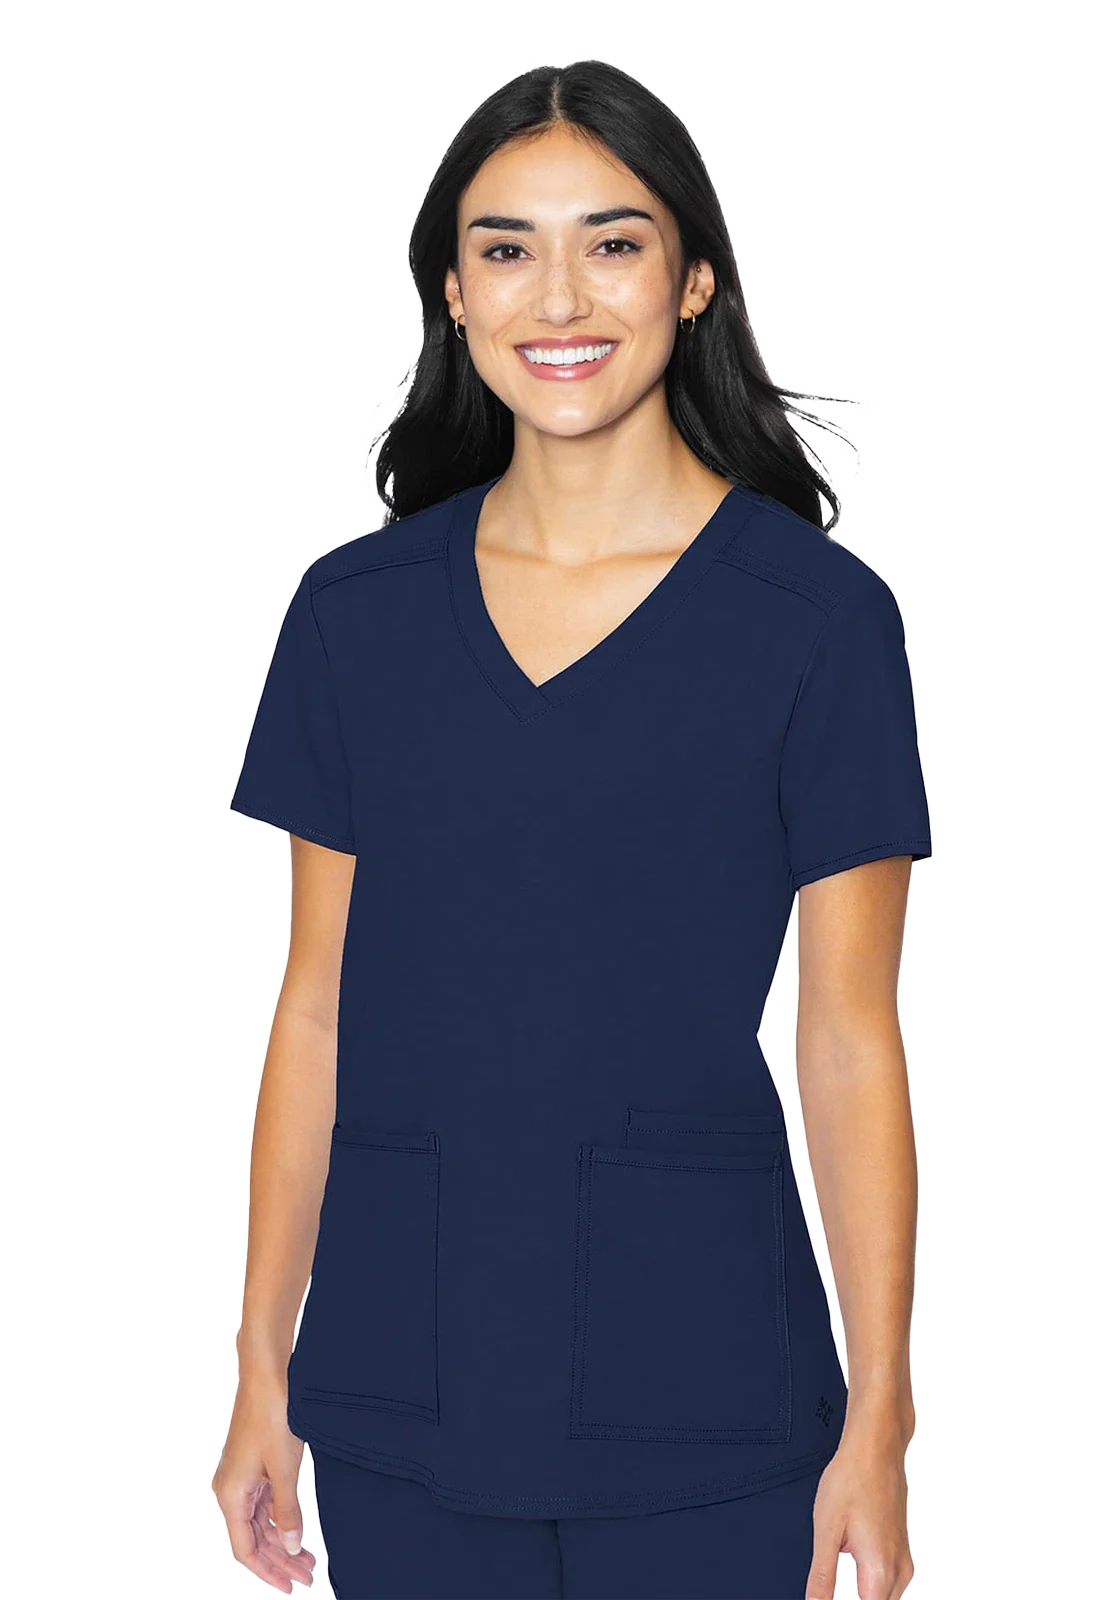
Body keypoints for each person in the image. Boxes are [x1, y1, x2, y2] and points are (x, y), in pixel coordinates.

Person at [213, 58, 933, 1600]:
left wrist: (882, 1414)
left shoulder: (816, 622)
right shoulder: (354, 617)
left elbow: (850, 1037)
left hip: (707, 1382)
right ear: (454, 293)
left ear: (693, 282)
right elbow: (318, 1006)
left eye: (612, 243)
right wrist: (259, 1370)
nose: (558, 297)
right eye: (505, 248)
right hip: (406, 1371)